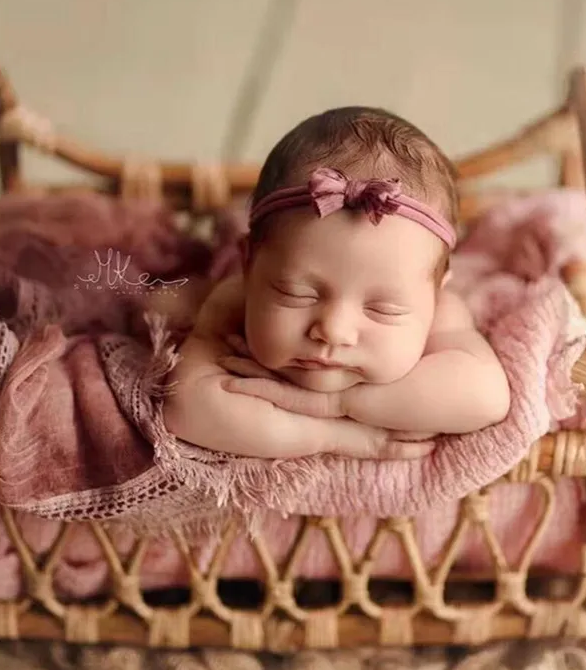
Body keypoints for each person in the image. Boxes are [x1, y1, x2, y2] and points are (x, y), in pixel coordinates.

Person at [162, 107, 510, 459]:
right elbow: (185, 409)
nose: (333, 331)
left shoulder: (442, 313)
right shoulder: (233, 301)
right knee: (165, 305)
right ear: (249, 265)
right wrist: (331, 436)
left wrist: (338, 402)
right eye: (297, 294)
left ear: (435, 294)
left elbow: (486, 398)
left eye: (381, 309)